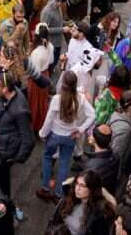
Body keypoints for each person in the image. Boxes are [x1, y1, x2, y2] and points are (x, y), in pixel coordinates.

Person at [37, 71, 94, 202]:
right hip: (70, 137)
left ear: (62, 84)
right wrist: (81, 129)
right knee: (64, 164)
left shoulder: (57, 99)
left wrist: (42, 133)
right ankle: (58, 194)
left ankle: (45, 189)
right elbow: (92, 115)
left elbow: (49, 119)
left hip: (55, 135)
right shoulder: (81, 98)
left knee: (47, 157)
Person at [0, 71, 33, 198]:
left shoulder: (20, 111)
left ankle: (5, 206)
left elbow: (28, 140)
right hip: (3, 143)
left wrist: (15, 159)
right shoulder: (10, 95)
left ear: (5, 89)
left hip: (6, 153)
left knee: (3, 184)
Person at [46, 169, 115, 235]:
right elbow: (65, 183)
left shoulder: (98, 213)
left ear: (92, 189)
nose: (78, 188)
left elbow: (113, 203)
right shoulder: (70, 197)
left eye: (82, 185)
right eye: (77, 183)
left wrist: (101, 189)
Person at [79, 124, 120, 193]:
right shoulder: (115, 156)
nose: (89, 136)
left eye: (91, 135)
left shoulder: (91, 167)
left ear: (94, 140)